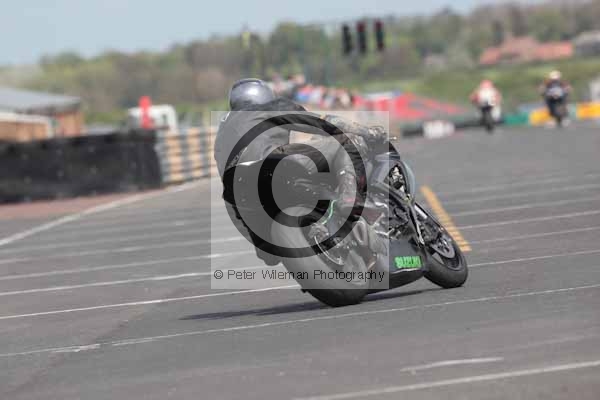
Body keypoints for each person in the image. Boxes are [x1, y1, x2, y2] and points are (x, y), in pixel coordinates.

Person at [214, 78, 384, 264]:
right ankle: (350, 201)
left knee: (269, 254)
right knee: (347, 142)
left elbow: (227, 185)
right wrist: (367, 132)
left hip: (239, 196)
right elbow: (321, 123)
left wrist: (262, 245)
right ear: (265, 95)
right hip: (273, 166)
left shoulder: (221, 133)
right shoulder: (269, 107)